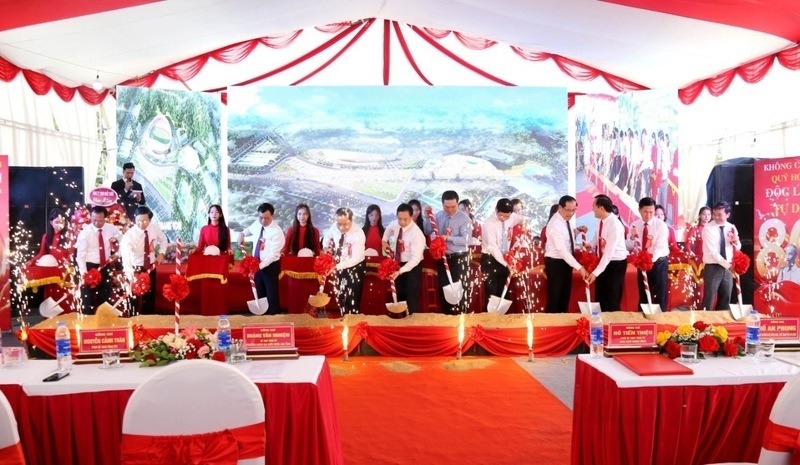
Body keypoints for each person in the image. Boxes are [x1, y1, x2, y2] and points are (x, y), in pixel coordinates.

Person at [423, 190, 473, 314]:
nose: (450, 209)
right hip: (443, 258)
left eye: (453, 207)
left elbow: (467, 240)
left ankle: (460, 317)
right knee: (444, 288)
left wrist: (448, 238)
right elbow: (428, 230)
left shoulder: (464, 219)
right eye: (447, 207)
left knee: (458, 289)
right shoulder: (439, 215)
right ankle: (447, 317)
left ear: (457, 203)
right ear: (442, 204)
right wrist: (427, 217)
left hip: (459, 258)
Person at [238, 203, 284, 314]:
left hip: (270, 266)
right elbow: (248, 230)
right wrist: (241, 234)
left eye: (267, 218)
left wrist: (258, 266)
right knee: (259, 293)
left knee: (271, 294)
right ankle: (262, 319)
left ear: (273, 216)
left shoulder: (277, 232)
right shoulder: (257, 223)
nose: (263, 221)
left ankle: (274, 320)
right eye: (261, 217)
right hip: (256, 264)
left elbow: (272, 255)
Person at [75, 206, 123, 314]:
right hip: (89, 266)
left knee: (105, 294)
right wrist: (84, 273)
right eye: (94, 220)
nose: (97, 223)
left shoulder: (111, 229)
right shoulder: (85, 233)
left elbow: (124, 241)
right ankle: (87, 320)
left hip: (106, 265)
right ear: (91, 217)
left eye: (100, 220)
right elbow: (80, 255)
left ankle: (103, 319)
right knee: (87, 296)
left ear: (105, 218)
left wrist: (117, 254)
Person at [120, 206, 168, 314]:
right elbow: (126, 258)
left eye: (145, 221)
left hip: (151, 265)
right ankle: (134, 316)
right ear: (135, 218)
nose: (141, 224)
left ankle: (149, 316)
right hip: (136, 268)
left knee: (150, 293)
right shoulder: (129, 235)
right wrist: (131, 276)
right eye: (139, 221)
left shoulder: (154, 228)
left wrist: (161, 253)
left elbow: (163, 239)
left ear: (150, 220)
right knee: (135, 295)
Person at [544, 195, 587, 313]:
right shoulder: (555, 224)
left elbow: (569, 238)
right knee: (555, 296)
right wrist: (579, 267)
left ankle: (562, 320)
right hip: (556, 263)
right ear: (560, 207)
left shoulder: (567, 220)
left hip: (566, 262)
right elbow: (562, 250)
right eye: (568, 210)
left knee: (565, 295)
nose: (571, 213)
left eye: (574, 210)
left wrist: (578, 231)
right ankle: (550, 324)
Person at [625, 197, 669, 311]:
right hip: (642, 264)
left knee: (660, 293)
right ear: (639, 210)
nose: (649, 215)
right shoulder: (634, 225)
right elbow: (629, 245)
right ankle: (643, 321)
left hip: (658, 262)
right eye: (645, 212)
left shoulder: (660, 225)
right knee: (644, 293)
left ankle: (660, 320)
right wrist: (631, 236)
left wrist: (648, 261)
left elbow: (659, 248)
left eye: (651, 212)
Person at [586, 195, 628, 311]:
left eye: (594, 206)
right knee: (601, 295)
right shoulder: (601, 221)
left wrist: (595, 273)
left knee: (611, 297)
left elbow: (609, 253)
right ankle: (601, 323)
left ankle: (612, 324)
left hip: (614, 264)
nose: (592, 209)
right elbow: (597, 236)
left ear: (602, 208)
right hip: (603, 261)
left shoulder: (615, 225)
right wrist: (590, 244)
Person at [381, 203, 426, 313]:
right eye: (399, 219)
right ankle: (400, 319)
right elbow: (388, 229)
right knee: (399, 293)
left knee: (411, 296)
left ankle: (412, 322)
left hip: (412, 266)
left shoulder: (417, 234)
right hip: (398, 263)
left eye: (405, 219)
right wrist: (384, 240)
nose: (402, 222)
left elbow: (415, 259)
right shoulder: (396, 224)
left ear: (412, 217)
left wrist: (400, 271)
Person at [481, 198, 524, 309]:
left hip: (505, 257)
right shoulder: (488, 224)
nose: (504, 218)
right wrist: (506, 264)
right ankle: (490, 320)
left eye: (507, 216)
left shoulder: (512, 217)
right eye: (501, 216)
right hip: (490, 259)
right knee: (492, 293)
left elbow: (520, 218)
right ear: (496, 210)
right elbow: (493, 247)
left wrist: (524, 223)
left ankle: (503, 321)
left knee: (504, 292)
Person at [322, 208, 366, 314]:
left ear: (351, 221)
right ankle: (344, 318)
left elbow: (355, 259)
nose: (341, 227)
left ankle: (353, 322)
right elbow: (327, 236)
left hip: (355, 267)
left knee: (353, 297)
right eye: (339, 224)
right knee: (341, 294)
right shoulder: (334, 226)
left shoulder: (358, 234)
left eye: (345, 224)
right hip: (340, 265)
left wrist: (336, 267)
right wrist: (325, 247)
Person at [701, 201, 741, 310]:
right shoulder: (708, 228)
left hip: (728, 268)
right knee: (709, 298)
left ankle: (721, 325)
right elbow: (713, 252)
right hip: (713, 267)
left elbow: (738, 248)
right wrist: (728, 266)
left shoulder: (731, 227)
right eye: (714, 214)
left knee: (726, 298)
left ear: (727, 215)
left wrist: (736, 242)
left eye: (720, 214)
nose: (716, 217)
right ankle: (703, 323)